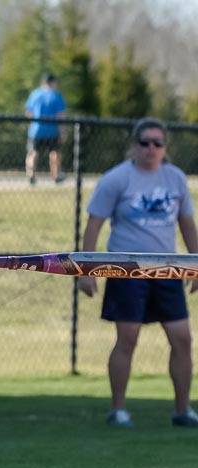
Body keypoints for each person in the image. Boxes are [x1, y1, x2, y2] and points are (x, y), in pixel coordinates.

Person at [77, 117, 198, 428]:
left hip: (167, 269)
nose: (151, 149)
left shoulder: (175, 179)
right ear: (134, 145)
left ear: (165, 147)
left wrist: (195, 265)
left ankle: (182, 410)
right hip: (126, 269)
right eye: (145, 142)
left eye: (158, 143)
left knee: (182, 338)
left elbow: (187, 225)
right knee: (128, 338)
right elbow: (94, 224)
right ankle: (118, 410)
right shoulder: (117, 179)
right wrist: (86, 270)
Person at [24, 73, 67, 185]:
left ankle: (30, 175)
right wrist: (62, 132)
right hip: (52, 129)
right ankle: (56, 176)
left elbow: (28, 113)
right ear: (52, 82)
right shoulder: (56, 95)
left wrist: (31, 126)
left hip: (36, 130)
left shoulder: (35, 94)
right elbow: (61, 116)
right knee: (55, 153)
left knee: (33, 152)